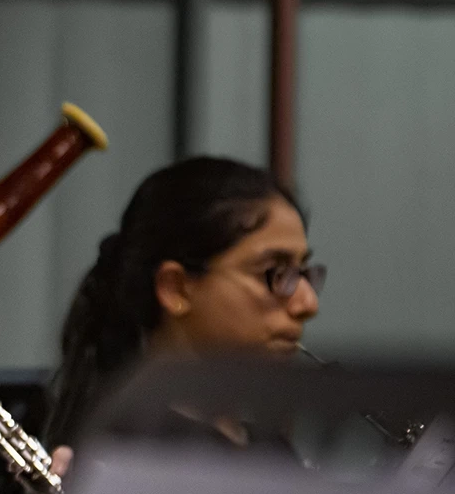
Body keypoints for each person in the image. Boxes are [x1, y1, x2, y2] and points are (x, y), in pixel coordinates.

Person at [45, 155, 322, 449]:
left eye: (303, 273)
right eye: (275, 274)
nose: (308, 304)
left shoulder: (268, 447)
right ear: (175, 288)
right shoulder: (130, 455)